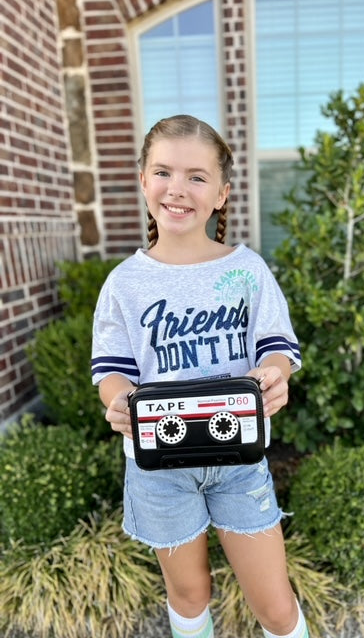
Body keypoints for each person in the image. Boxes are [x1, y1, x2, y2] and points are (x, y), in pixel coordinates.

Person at [91, 114, 309, 638]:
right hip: (159, 470)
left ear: (221, 194)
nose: (177, 189)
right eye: (163, 171)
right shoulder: (124, 284)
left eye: (196, 176)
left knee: (275, 607)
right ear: (143, 180)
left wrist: (274, 375)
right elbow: (113, 372)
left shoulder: (247, 269)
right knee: (190, 595)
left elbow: (277, 348)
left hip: (237, 460)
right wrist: (119, 402)